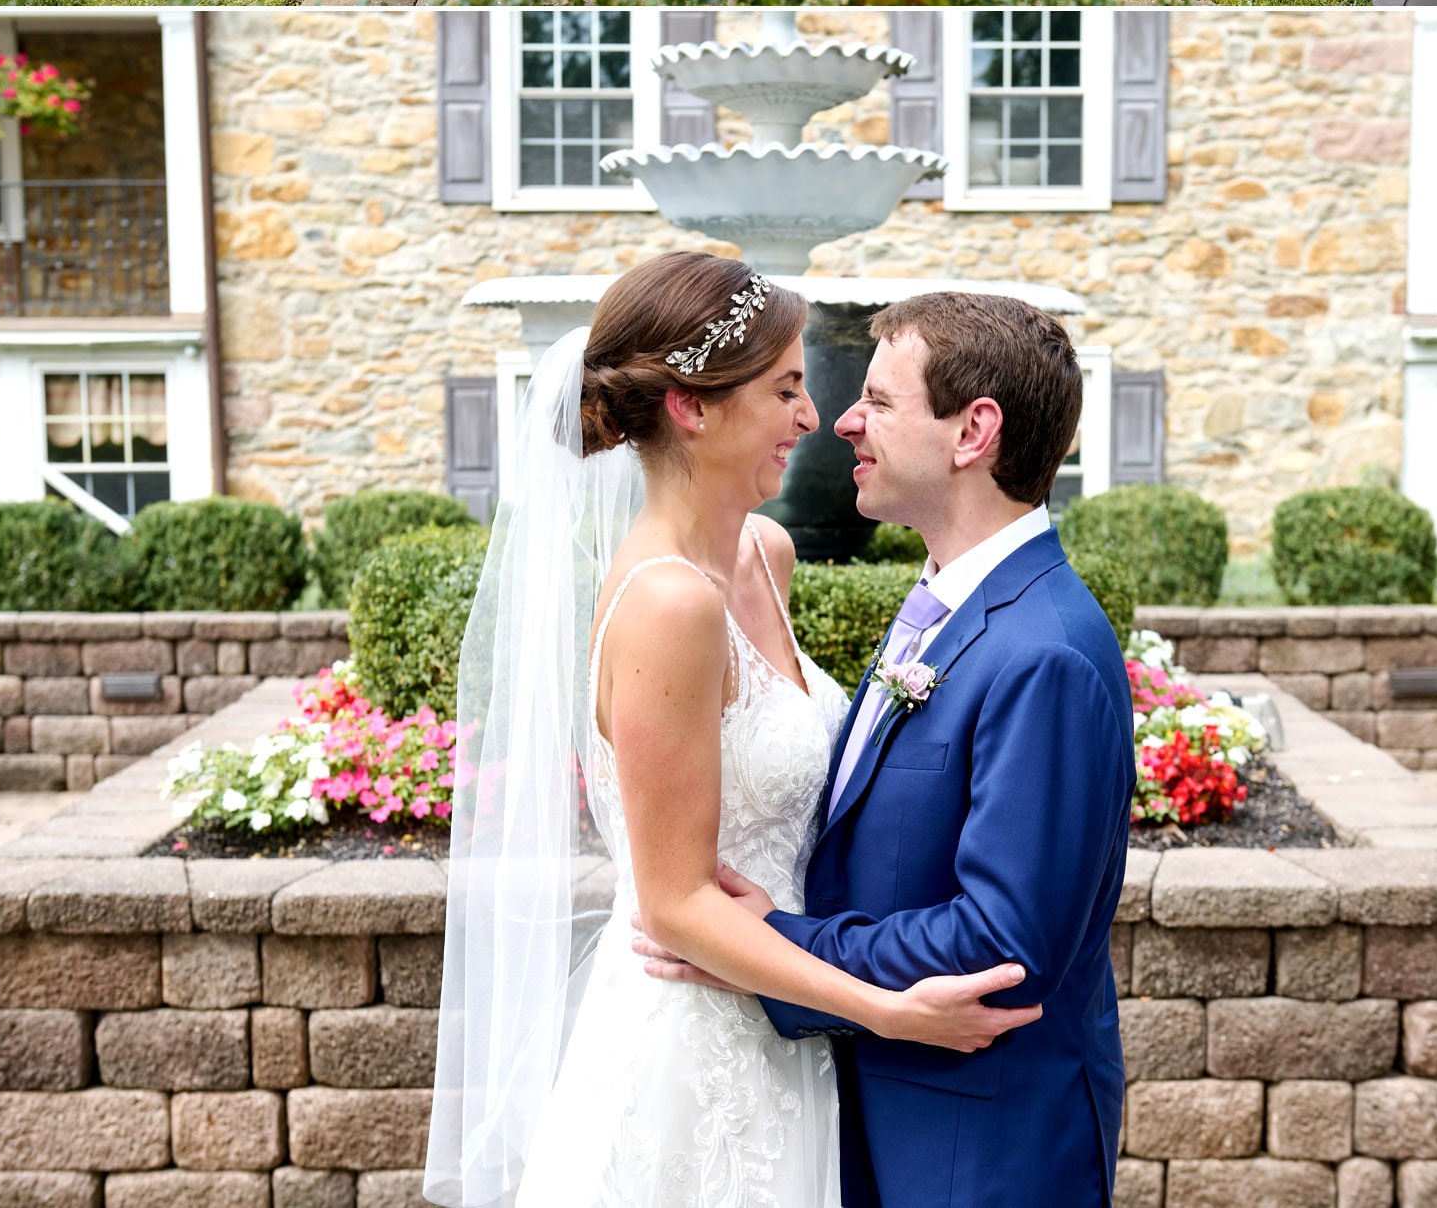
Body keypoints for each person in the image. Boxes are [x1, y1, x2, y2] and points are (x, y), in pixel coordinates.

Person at [425, 256, 1040, 1208]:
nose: (812, 417)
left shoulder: (767, 553)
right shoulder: (668, 603)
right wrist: (885, 1010)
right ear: (691, 408)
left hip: (790, 1021)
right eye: (786, 388)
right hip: (696, 1045)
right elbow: (675, 905)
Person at [633, 290, 1135, 1208]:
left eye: (882, 401)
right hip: (874, 1110)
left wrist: (776, 945)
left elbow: (1003, 940)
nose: (845, 420)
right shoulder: (950, 605)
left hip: (979, 1147)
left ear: (972, 431)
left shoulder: (1045, 653)